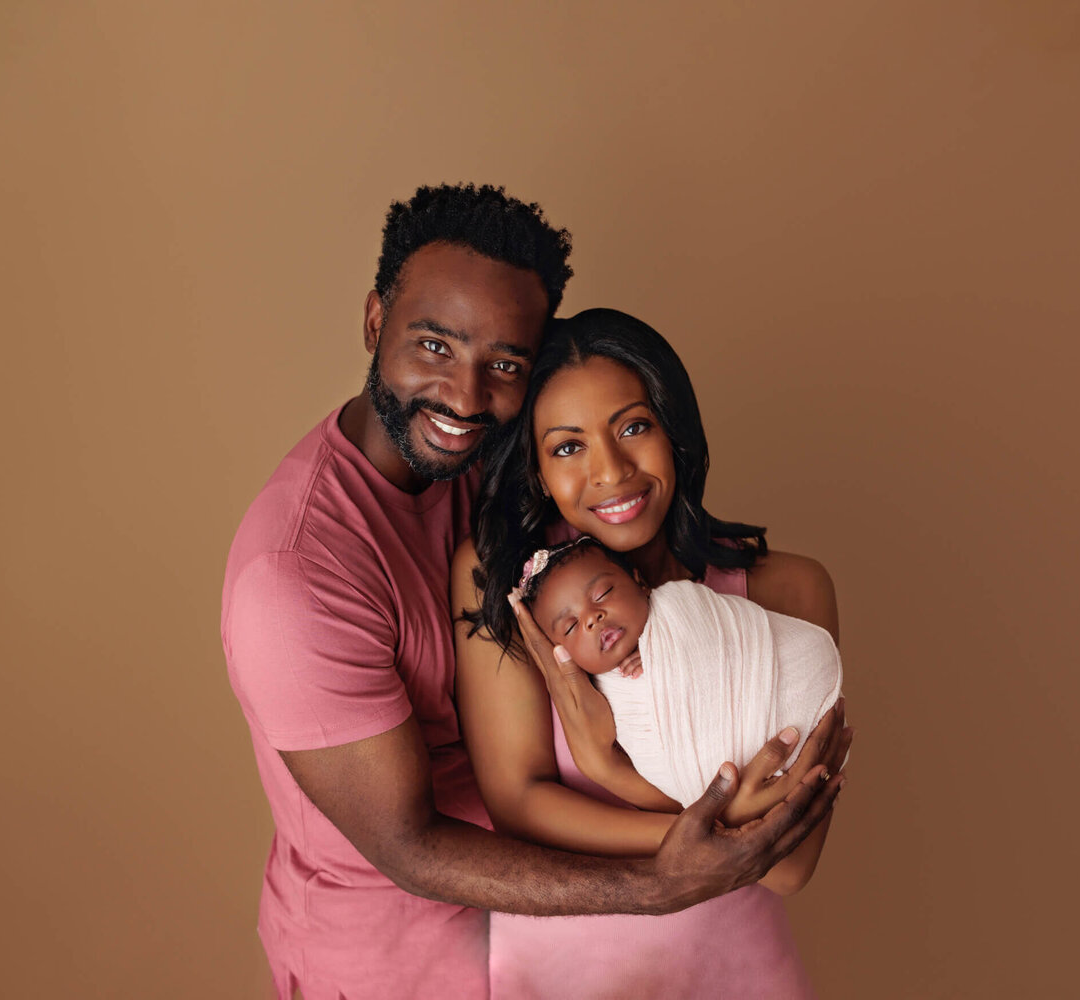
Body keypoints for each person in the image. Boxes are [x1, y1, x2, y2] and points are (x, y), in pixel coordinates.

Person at [222, 187, 843, 1000]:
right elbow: (412, 845)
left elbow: (788, 859)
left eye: (504, 365)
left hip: (596, 930)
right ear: (376, 322)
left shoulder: (503, 486)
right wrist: (669, 869)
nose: (466, 395)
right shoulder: (297, 579)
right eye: (434, 345)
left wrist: (617, 778)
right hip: (390, 953)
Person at [453, 307, 853, 998]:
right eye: (568, 446)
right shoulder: (510, 584)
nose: (610, 472)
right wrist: (715, 833)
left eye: (633, 427)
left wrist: (613, 772)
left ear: (676, 431)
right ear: (538, 468)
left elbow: (789, 868)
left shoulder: (786, 588)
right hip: (559, 976)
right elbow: (518, 803)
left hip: (734, 970)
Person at [515, 535, 842, 820]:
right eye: (571, 627)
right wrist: (602, 766)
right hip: (740, 796)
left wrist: (667, 647)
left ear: (639, 582)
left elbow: (705, 641)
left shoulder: (678, 604)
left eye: (602, 594)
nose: (592, 619)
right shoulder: (599, 696)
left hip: (799, 699)